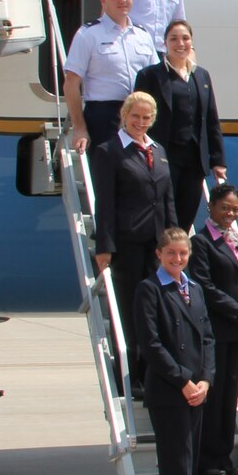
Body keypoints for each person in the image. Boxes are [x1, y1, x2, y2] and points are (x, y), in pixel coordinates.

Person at [132, 228, 214, 475]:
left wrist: (206, 380)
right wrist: (183, 380)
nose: (177, 259)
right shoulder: (150, 290)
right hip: (170, 394)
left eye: (182, 254)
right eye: (171, 254)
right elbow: (150, 344)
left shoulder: (192, 289)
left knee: (184, 471)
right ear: (159, 254)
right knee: (177, 471)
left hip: (196, 393)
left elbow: (208, 338)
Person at [89, 92, 177, 391]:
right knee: (130, 309)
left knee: (157, 309)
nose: (140, 122)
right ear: (125, 116)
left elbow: (167, 201)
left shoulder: (159, 151)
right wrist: (105, 247)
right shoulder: (109, 151)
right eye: (135, 116)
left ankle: (155, 372)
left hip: (157, 247)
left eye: (146, 117)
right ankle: (132, 375)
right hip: (126, 245)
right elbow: (105, 203)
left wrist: (176, 243)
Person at [188, 183, 238, 475]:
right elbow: (205, 288)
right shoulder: (202, 243)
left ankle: (221, 456)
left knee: (229, 396)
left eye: (235, 210)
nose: (230, 214)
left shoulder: (233, 240)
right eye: (225, 208)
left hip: (234, 332)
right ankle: (206, 458)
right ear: (211, 207)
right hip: (214, 331)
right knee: (214, 395)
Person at [131, 20, 224, 228]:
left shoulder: (201, 75)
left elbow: (211, 119)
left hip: (194, 159)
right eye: (173, 38)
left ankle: (178, 257)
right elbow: (137, 117)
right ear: (165, 43)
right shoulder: (150, 76)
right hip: (164, 156)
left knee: (187, 213)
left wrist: (218, 160)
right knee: (163, 213)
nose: (180, 43)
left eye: (185, 38)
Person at [64, 0, 158, 151]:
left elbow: (156, 77)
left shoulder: (143, 35)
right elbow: (71, 83)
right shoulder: (88, 34)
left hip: (139, 116)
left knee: (139, 175)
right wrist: (79, 128)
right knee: (106, 176)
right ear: (103, 0)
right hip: (104, 117)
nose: (123, 0)